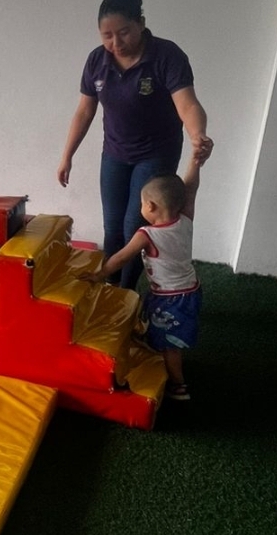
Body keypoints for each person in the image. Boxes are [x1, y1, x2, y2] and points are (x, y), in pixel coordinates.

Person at [57, 0, 213, 289]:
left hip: (156, 154)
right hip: (115, 153)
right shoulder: (97, 61)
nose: (116, 43)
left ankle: (125, 293)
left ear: (141, 24)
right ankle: (109, 288)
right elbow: (84, 111)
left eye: (124, 32)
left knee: (136, 226)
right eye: (107, 36)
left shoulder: (166, 56)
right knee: (113, 226)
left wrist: (198, 134)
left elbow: (187, 104)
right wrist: (67, 156)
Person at [83, 153, 204, 400]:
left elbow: (121, 258)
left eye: (140, 203)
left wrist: (99, 274)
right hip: (191, 290)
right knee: (160, 324)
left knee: (170, 345)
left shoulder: (146, 234)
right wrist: (195, 162)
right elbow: (190, 188)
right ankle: (155, 339)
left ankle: (179, 385)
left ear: (150, 207)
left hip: (170, 298)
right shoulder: (185, 219)